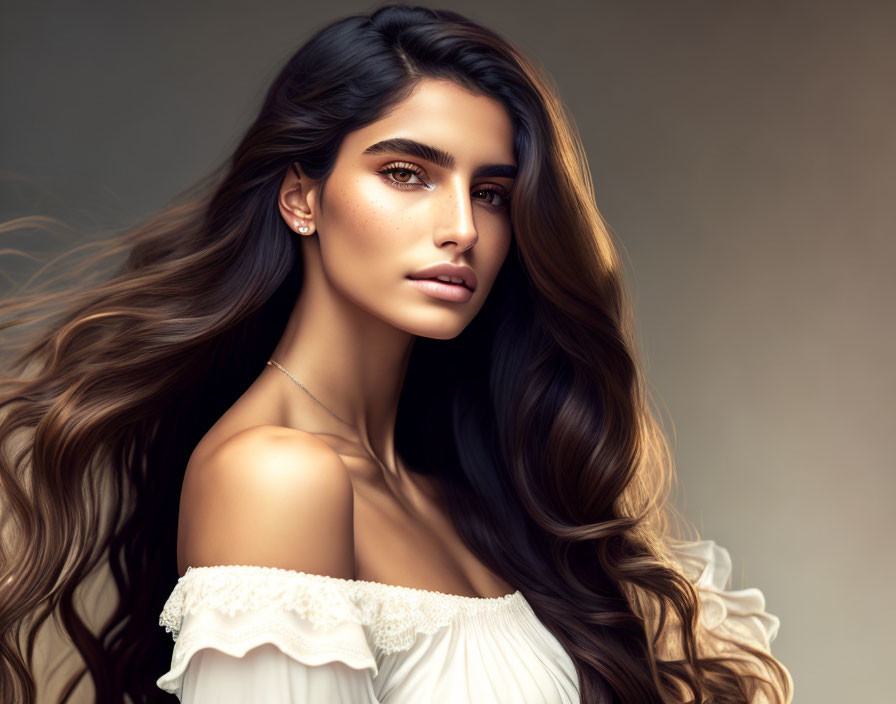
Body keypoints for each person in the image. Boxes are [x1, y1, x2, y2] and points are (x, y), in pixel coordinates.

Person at [0, 3, 793, 703]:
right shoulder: (276, 477)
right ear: (302, 197)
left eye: (491, 193)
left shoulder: (468, 483)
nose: (462, 228)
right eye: (408, 173)